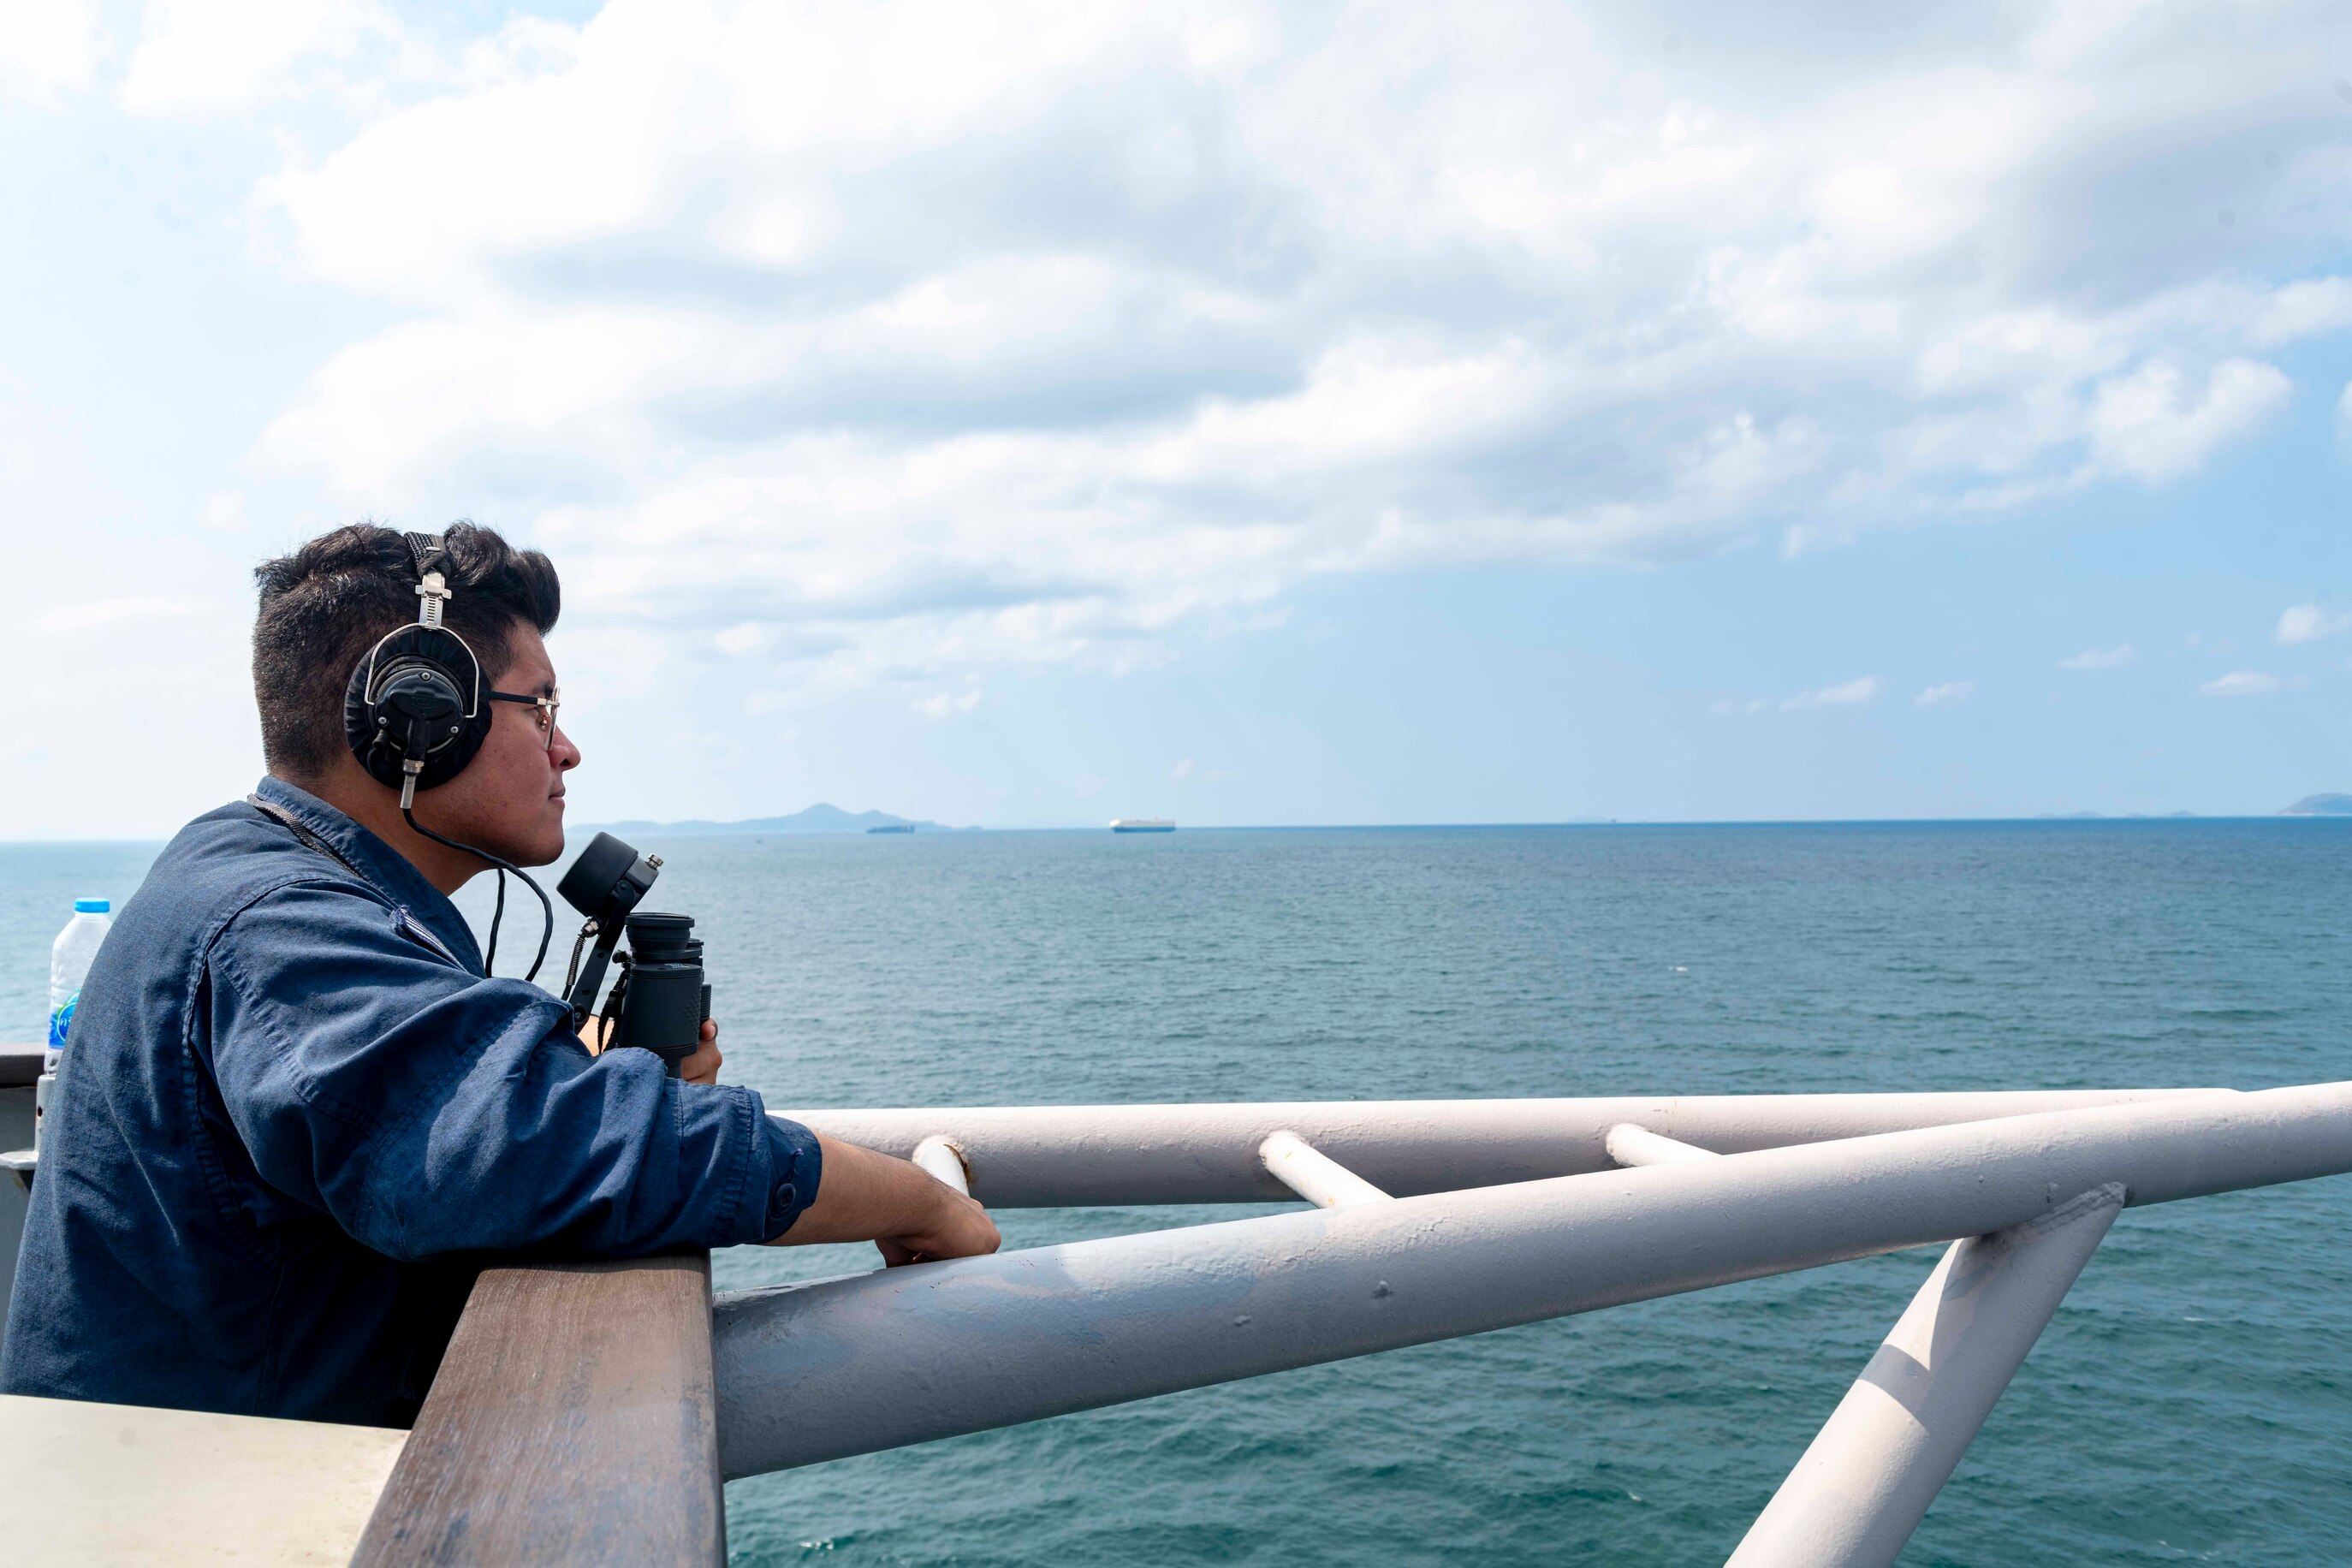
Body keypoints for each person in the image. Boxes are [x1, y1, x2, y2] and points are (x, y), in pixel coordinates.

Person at [0, 522, 997, 1427]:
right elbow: (528, 1145)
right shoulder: (277, 929)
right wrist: (918, 1200)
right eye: (541, 706)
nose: (569, 747)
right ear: (419, 716)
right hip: (210, 1520)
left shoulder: (252, 870)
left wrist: (585, 1063)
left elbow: (437, 1113)